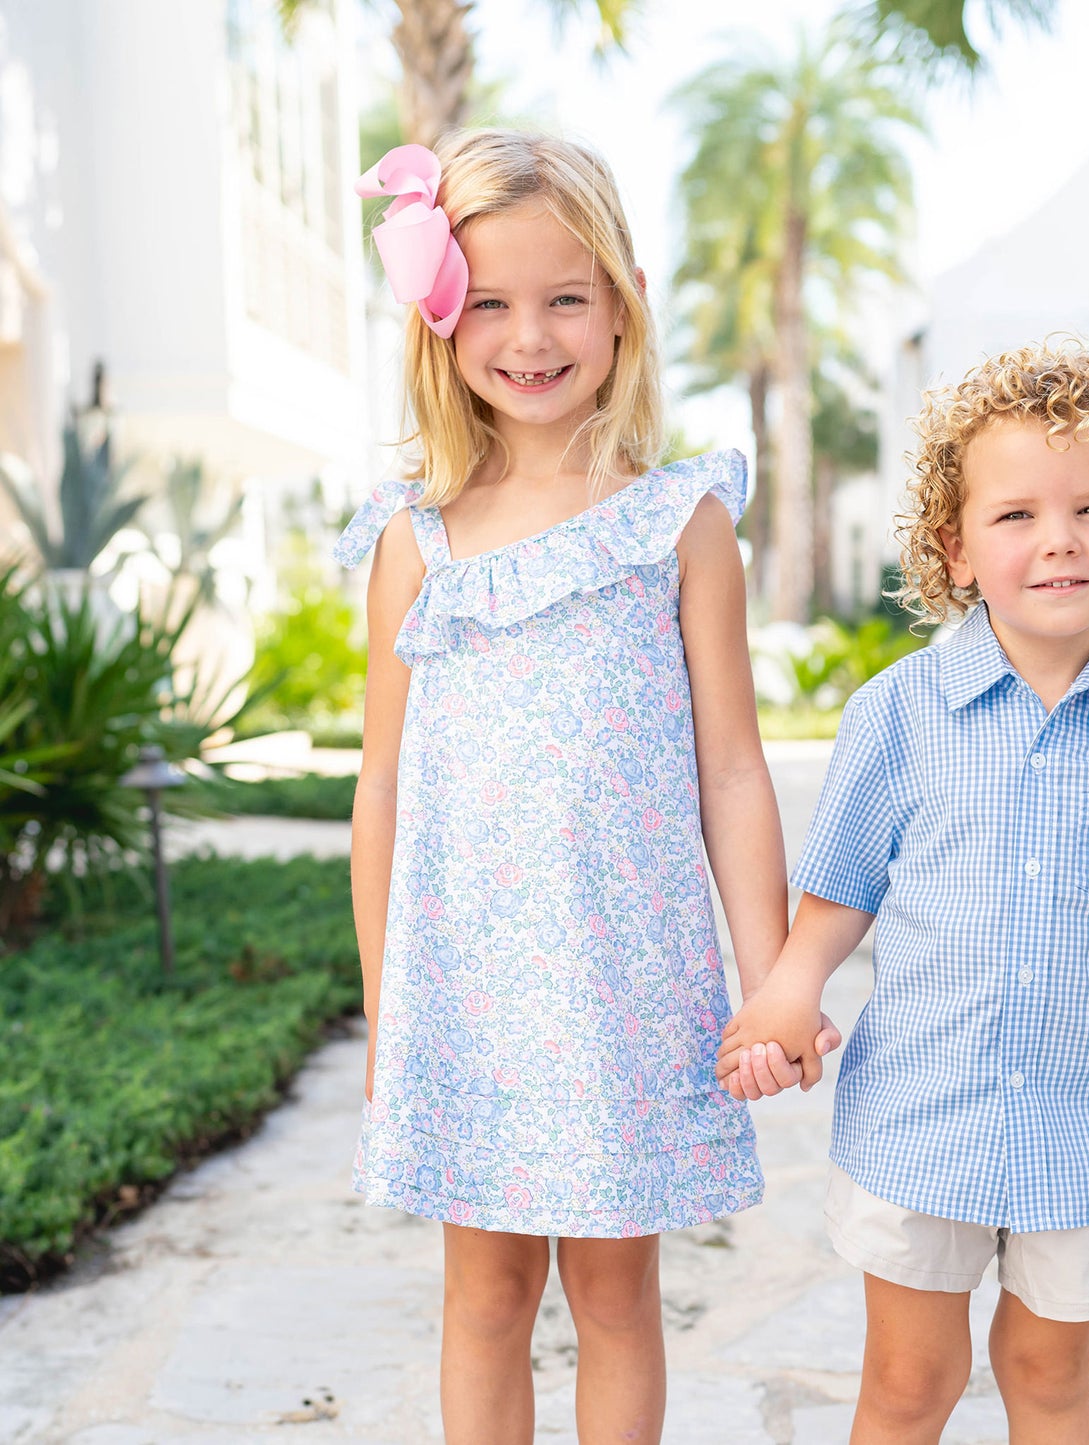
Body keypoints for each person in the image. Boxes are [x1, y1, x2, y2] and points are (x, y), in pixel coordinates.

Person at [335, 130, 830, 1445]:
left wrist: (775, 978)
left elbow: (731, 768)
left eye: (565, 295)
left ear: (622, 304)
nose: (530, 334)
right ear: (441, 317)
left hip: (626, 984)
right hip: (469, 995)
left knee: (616, 1295)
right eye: (489, 300)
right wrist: (390, 1008)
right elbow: (380, 785)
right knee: (484, 1294)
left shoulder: (679, 521)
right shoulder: (413, 537)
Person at [718, 341, 1089, 1445]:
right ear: (953, 549)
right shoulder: (896, 714)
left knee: (1047, 1377)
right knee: (908, 1384)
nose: (1057, 538)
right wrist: (783, 992)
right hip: (921, 1119)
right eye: (1013, 516)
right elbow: (836, 893)